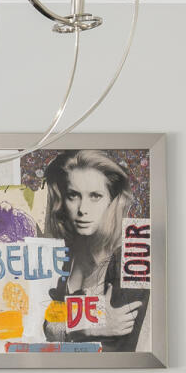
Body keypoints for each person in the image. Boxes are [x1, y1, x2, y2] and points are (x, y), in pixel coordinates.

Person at [36, 148, 147, 349]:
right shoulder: (68, 255)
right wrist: (92, 324)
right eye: (73, 195)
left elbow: (121, 340)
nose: (82, 209)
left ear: (114, 200)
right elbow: (46, 324)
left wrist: (70, 324)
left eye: (95, 196)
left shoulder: (133, 255)